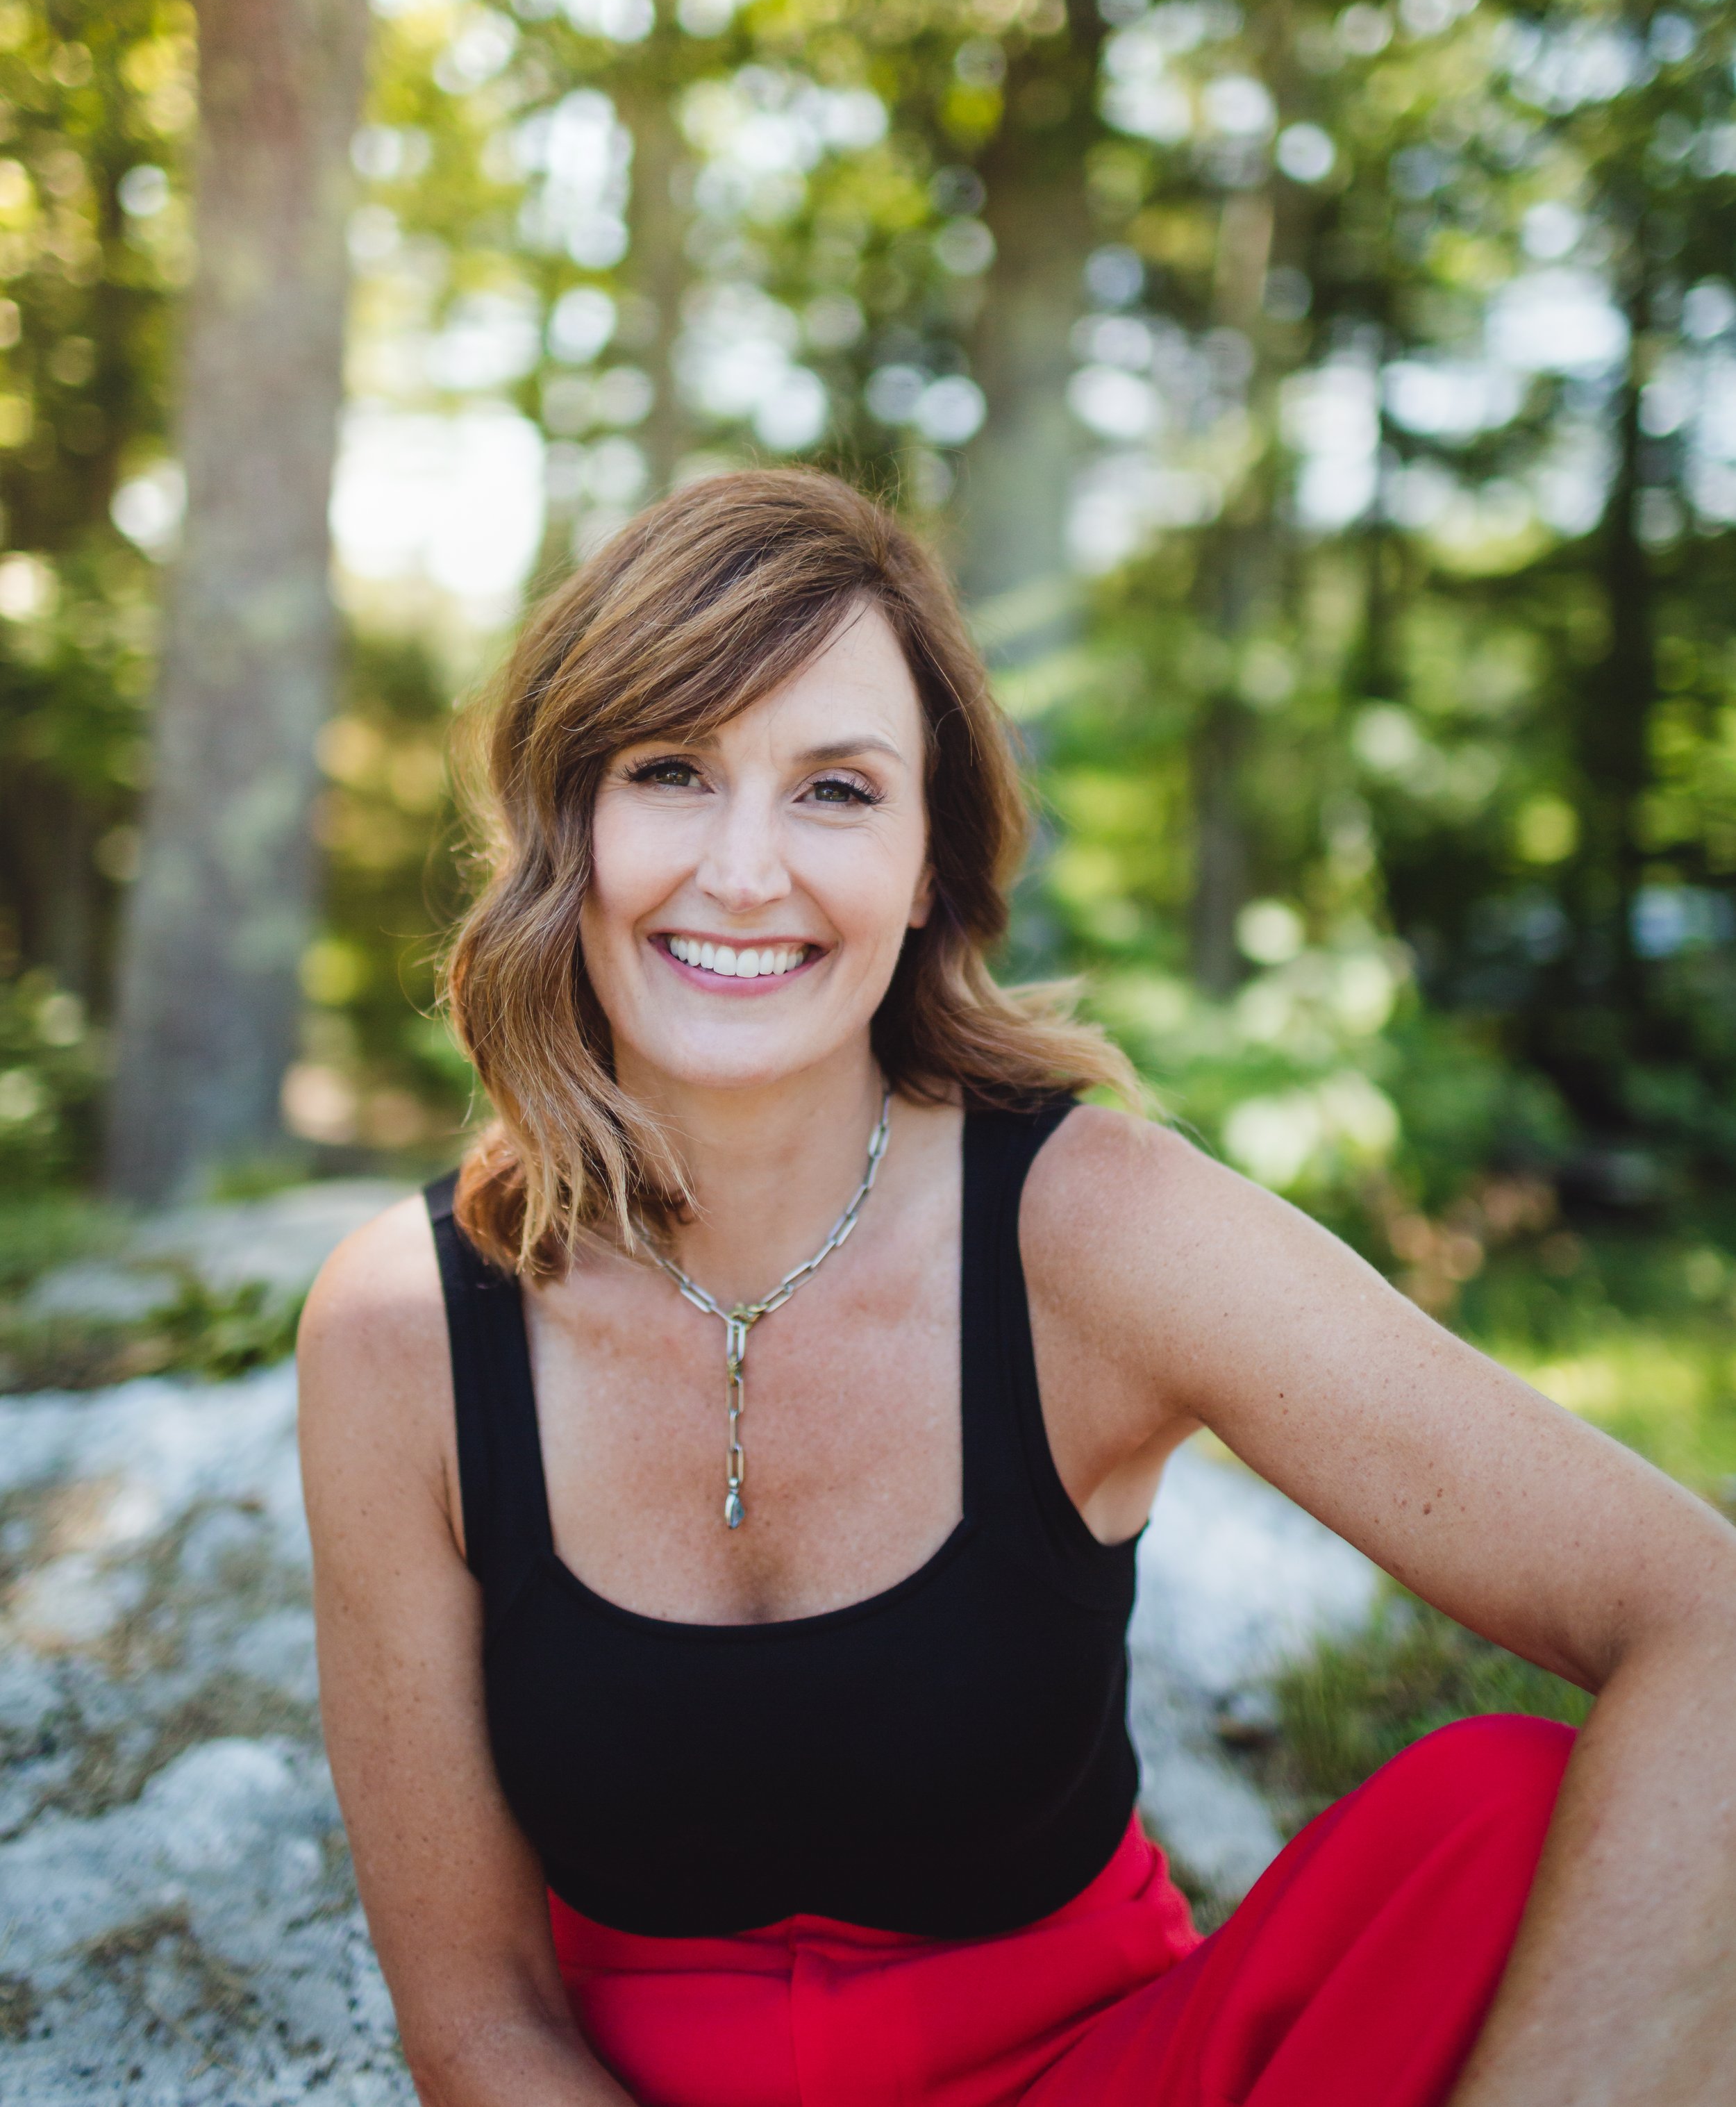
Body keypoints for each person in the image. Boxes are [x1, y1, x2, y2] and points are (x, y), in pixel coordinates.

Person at [299, 468, 1736, 2107]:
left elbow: (1702, 1615)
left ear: (926, 868)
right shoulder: (401, 1330)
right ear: (571, 823)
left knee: (1505, 1816)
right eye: (672, 771)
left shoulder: (1095, 1232)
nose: (747, 871)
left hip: (1111, 2079)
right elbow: (479, 2022)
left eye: (835, 791)